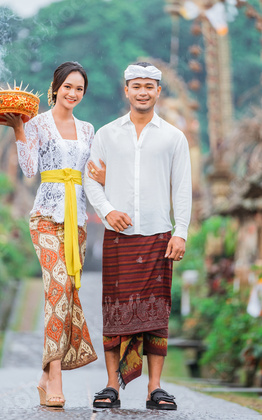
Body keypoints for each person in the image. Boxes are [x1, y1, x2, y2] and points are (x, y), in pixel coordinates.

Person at [0, 61, 105, 408]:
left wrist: (102, 178)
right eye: (68, 87)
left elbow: (91, 176)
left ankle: (44, 376)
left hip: (77, 222)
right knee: (56, 289)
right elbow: (30, 169)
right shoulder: (39, 123)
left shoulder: (88, 129)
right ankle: (56, 376)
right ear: (55, 88)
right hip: (45, 216)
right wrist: (18, 131)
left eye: (79, 89)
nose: (73, 94)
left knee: (69, 291)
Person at [85, 62, 192, 411]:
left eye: (149, 86)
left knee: (156, 313)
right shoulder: (106, 134)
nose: (143, 91)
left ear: (158, 92)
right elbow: (90, 179)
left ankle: (155, 388)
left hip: (159, 236)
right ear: (126, 90)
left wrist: (181, 232)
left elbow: (183, 190)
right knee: (114, 310)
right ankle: (110, 385)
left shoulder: (174, 137)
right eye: (136, 86)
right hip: (119, 236)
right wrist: (106, 210)